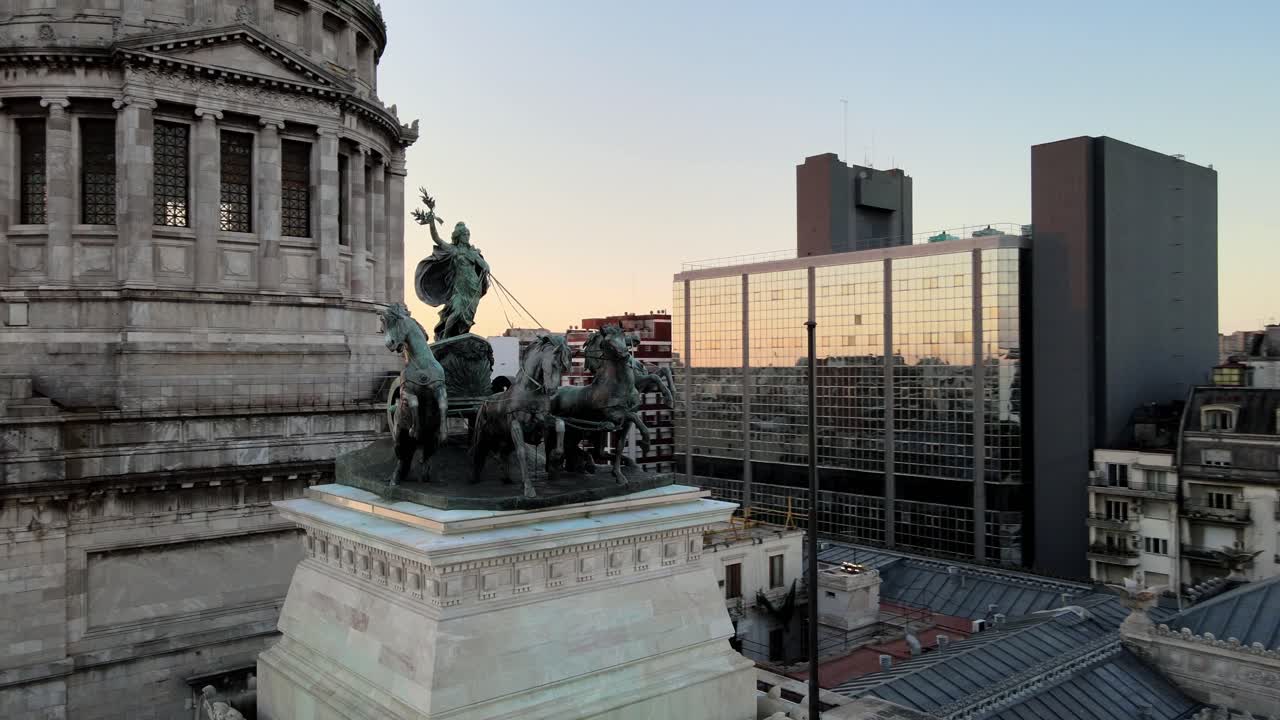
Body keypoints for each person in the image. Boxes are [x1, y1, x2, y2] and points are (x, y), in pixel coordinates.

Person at [413, 209, 490, 341]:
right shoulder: (453, 250)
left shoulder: (473, 252)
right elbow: (437, 239)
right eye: (464, 234)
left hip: (473, 288)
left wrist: (486, 267)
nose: (467, 236)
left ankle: (459, 338)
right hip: (459, 288)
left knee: (467, 317)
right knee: (457, 311)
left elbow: (484, 265)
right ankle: (445, 337)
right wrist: (432, 223)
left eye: (468, 234)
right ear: (458, 236)